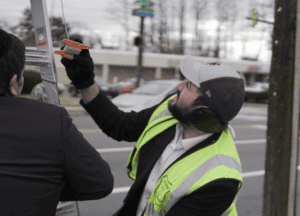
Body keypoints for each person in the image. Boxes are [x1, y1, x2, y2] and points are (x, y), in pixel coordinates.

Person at [60, 39, 244, 216]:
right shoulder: (171, 112)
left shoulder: (220, 178)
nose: (179, 86)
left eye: (189, 85)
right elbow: (119, 125)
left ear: (203, 111)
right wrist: (85, 82)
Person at [0, 29, 114, 216]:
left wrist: (85, 82)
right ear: (14, 84)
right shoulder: (49, 120)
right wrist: (44, 188)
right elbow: (100, 183)